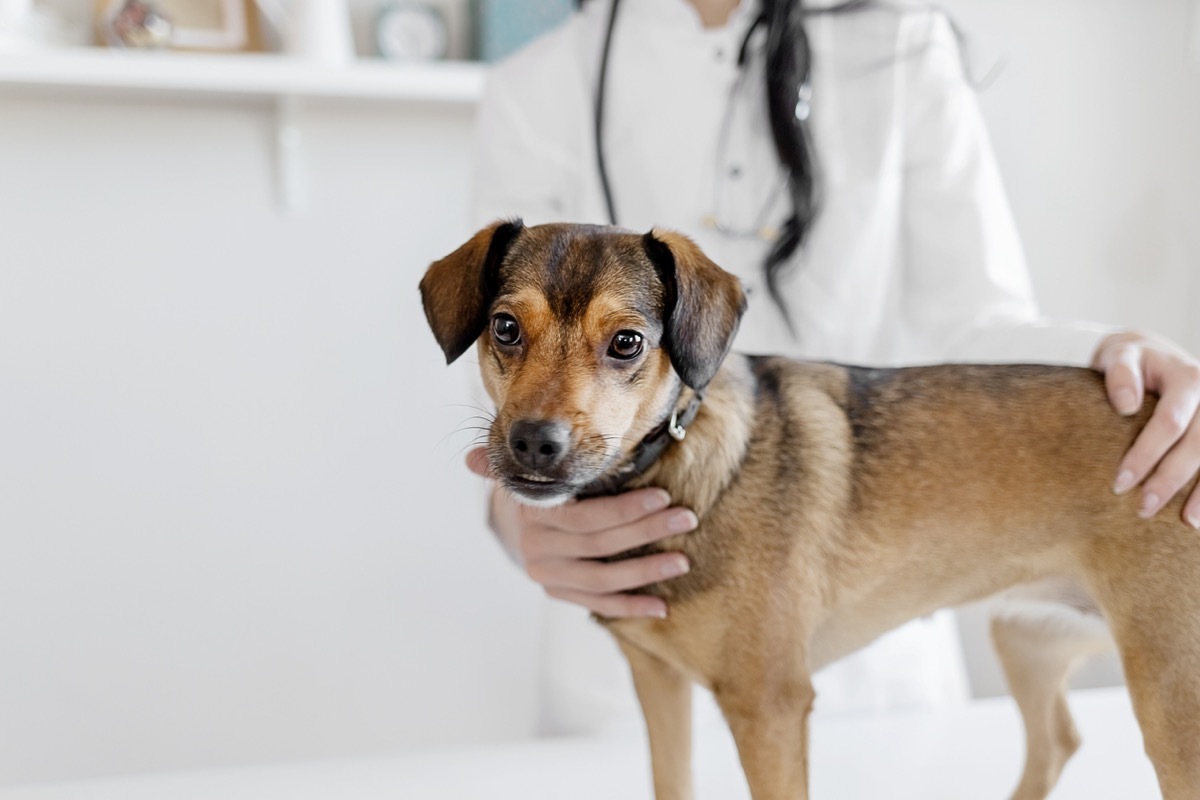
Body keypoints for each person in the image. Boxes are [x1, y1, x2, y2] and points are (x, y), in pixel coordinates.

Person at [462, 0, 1200, 731]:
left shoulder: (903, 43)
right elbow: (513, 382)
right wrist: (518, 524)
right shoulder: (538, 82)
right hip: (621, 655)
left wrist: (1113, 358)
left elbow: (975, 321)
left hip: (874, 649)